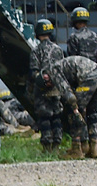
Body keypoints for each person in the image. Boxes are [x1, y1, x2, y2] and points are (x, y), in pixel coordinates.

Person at [48, 55, 97, 159]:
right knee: (93, 110)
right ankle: (93, 147)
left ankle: (76, 148)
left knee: (74, 110)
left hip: (89, 77)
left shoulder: (53, 70)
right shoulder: (63, 66)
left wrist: (73, 107)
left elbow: (69, 96)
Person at [27, 19, 65, 155]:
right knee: (56, 117)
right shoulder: (59, 50)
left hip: (42, 90)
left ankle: (47, 147)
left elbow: (33, 72)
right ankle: (56, 146)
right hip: (56, 89)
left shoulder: (36, 51)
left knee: (44, 118)